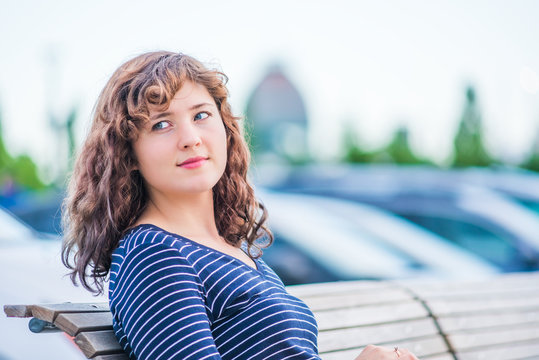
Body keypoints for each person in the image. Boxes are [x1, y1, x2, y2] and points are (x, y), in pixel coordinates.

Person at [62, 51, 418, 360]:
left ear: (224, 127)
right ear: (129, 152)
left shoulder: (232, 249)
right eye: (162, 124)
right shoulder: (155, 254)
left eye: (201, 115)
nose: (190, 138)